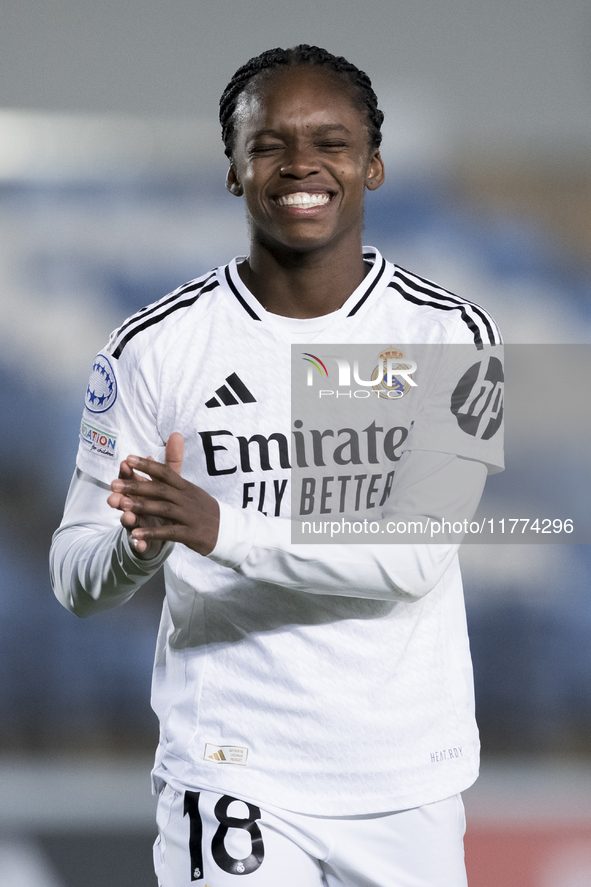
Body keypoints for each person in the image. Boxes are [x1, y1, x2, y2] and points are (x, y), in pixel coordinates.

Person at [51, 45, 503, 887]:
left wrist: (220, 528)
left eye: (329, 142)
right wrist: (135, 551)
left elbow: (408, 559)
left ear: (371, 165)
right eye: (267, 144)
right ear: (232, 171)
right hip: (231, 765)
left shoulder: (451, 336)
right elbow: (74, 576)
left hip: (406, 779)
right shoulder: (155, 349)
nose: (299, 164)